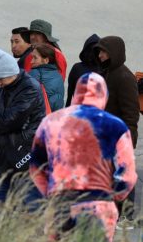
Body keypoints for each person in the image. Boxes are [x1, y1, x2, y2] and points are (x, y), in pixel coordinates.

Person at [30, 72, 137, 241]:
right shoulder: (116, 126)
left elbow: (37, 167)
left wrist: (50, 192)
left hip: (61, 202)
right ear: (104, 95)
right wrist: (113, 197)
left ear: (75, 93)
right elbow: (128, 175)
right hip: (99, 203)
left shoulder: (50, 122)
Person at [0, 47, 44, 209]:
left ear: (12, 72)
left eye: (1, 78)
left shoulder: (30, 88)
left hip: (25, 152)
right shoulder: (2, 90)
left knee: (27, 206)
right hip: (4, 153)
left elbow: (10, 120)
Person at [94, 36, 140, 228]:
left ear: (115, 53)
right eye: (100, 51)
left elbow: (131, 114)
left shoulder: (124, 77)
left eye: (104, 51)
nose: (101, 55)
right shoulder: (106, 73)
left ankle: (127, 217)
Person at [65, 34, 100, 107]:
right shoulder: (77, 68)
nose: (92, 53)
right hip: (80, 108)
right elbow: (70, 91)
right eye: (90, 49)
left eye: (95, 50)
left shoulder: (104, 69)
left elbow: (70, 92)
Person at [29, 43, 64, 112]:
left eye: (35, 58)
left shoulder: (35, 73)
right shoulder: (58, 75)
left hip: (37, 119)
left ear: (46, 60)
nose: (31, 61)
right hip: (53, 118)